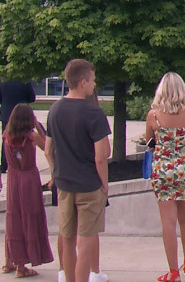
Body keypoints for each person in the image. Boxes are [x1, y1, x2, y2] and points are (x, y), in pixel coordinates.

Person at [45, 59, 111, 282]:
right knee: (85, 242)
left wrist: (55, 172)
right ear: (83, 82)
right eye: (92, 80)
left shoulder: (54, 110)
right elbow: (101, 156)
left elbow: (47, 149)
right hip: (89, 185)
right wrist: (105, 185)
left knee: (67, 239)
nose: (94, 85)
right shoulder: (94, 114)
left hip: (64, 184)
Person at [145, 72, 185, 282]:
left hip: (163, 171)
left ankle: (173, 272)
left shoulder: (154, 115)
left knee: (168, 223)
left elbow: (149, 142)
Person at [1, 104, 54, 278]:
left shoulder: (6, 136)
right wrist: (39, 127)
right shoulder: (31, 137)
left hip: (13, 179)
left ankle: (9, 260)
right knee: (29, 218)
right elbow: (49, 148)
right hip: (28, 180)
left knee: (14, 218)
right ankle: (22, 267)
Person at [0, 80, 36, 173]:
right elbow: (32, 98)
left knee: (7, 140)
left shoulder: (3, 82)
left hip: (7, 114)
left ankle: (4, 165)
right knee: (26, 140)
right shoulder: (25, 82)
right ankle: (24, 162)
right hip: (23, 116)